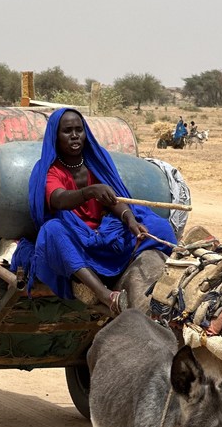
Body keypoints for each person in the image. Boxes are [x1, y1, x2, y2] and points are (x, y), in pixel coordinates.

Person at [12, 108, 177, 314]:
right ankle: (105, 295)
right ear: (55, 136)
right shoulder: (49, 169)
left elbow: (113, 200)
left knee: (158, 226)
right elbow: (59, 199)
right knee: (52, 231)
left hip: (105, 231)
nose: (74, 135)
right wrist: (89, 192)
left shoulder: (96, 161)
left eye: (79, 130)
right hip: (77, 237)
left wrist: (129, 219)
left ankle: (164, 275)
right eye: (67, 131)